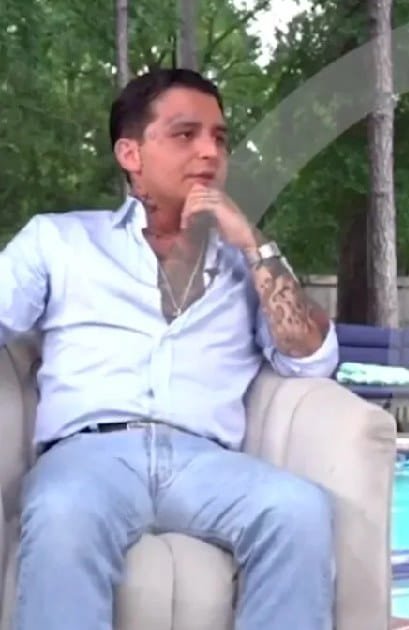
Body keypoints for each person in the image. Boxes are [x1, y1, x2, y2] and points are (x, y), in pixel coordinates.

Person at [5, 69, 340, 629]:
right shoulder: (61, 240)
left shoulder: (246, 262)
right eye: (186, 134)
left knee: (299, 509)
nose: (210, 151)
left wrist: (252, 242)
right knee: (62, 512)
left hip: (206, 461)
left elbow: (312, 358)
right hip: (91, 454)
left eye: (220, 138)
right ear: (130, 153)